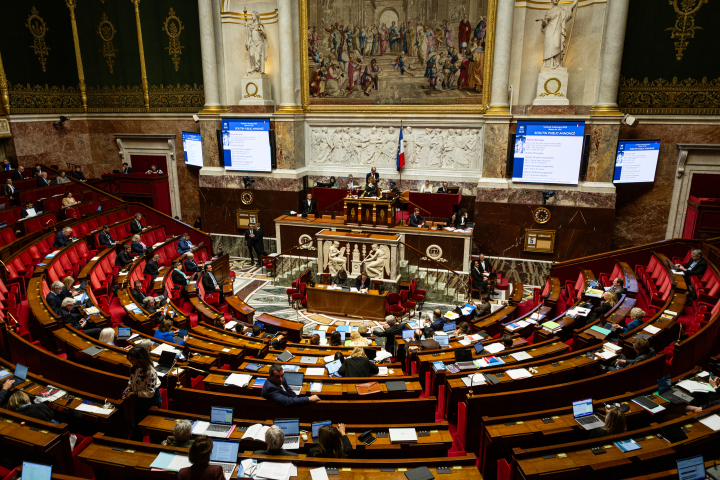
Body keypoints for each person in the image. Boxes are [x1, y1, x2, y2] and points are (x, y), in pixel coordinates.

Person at [123, 346, 162, 441]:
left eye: (132, 359)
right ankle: (135, 446)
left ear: (139, 358)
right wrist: (128, 388)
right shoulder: (134, 366)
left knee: (151, 426)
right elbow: (132, 379)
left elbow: (150, 392)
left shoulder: (150, 371)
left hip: (151, 401)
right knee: (136, 424)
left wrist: (133, 393)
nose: (130, 361)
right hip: (139, 397)